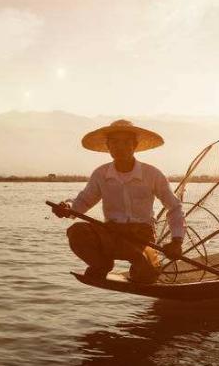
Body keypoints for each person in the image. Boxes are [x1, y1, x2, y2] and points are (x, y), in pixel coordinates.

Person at [51, 119, 185, 284]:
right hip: (111, 234)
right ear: (108, 147)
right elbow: (84, 201)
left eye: (125, 142)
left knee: (146, 277)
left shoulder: (152, 174)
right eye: (114, 142)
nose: (119, 147)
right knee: (76, 232)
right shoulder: (101, 174)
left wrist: (176, 241)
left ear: (134, 145)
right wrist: (67, 207)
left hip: (141, 238)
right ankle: (101, 264)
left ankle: (142, 264)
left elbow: (174, 206)